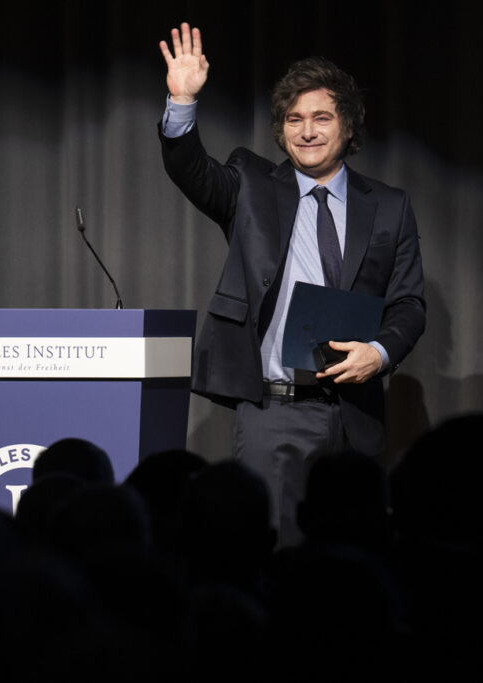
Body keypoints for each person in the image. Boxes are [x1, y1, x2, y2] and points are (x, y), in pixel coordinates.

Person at [157, 23, 425, 545]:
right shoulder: (251, 186)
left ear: (349, 126)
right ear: (281, 130)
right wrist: (182, 100)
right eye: (294, 119)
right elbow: (190, 169)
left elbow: (409, 303)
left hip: (356, 413)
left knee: (354, 559)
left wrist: (379, 354)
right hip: (274, 412)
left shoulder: (389, 206)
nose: (307, 131)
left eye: (322, 117)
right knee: (274, 555)